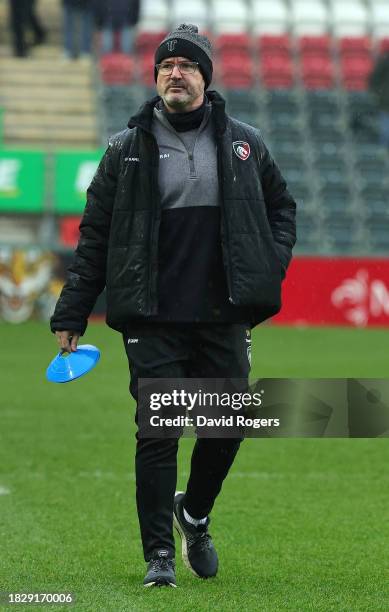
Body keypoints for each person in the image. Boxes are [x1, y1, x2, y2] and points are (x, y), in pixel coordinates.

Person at [50, 24, 296, 588]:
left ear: (205, 78)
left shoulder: (245, 144)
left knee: (227, 425)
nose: (175, 73)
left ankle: (195, 514)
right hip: (152, 316)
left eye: (187, 65)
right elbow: (95, 236)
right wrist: (71, 313)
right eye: (166, 65)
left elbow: (283, 208)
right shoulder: (123, 149)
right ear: (156, 76)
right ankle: (159, 556)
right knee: (158, 432)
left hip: (223, 314)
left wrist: (268, 263)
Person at [368, 51, 389, 148]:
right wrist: (380, 94)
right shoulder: (385, 60)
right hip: (386, 104)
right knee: (386, 134)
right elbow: (374, 79)